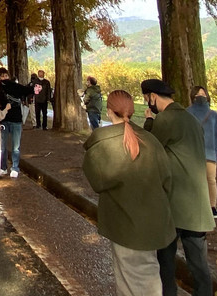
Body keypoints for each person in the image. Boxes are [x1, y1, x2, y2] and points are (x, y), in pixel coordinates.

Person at [83, 90, 176, 296]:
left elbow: (97, 181)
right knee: (144, 276)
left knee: (132, 280)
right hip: (155, 221)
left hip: (125, 225)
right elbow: (167, 180)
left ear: (109, 111)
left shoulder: (103, 144)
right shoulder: (151, 141)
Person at [141, 78, 215, 296]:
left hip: (174, 202)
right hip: (197, 204)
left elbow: (150, 149)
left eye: (146, 99)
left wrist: (148, 122)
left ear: (153, 96)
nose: (147, 103)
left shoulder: (166, 119)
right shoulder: (190, 119)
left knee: (166, 261)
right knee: (199, 264)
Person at [188, 85, 217, 218]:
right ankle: (194, 207)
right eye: (198, 95)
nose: (201, 97)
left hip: (209, 154)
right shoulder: (186, 113)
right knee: (194, 181)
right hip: (192, 154)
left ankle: (212, 207)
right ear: (193, 96)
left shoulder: (214, 115)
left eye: (203, 94)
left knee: (211, 180)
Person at [0, 68, 31, 178]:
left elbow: (26, 90)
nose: (5, 78)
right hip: (4, 120)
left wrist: (34, 87)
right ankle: (3, 167)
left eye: (6, 76)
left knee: (16, 146)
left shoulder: (15, 86)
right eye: (2, 76)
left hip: (16, 120)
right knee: (3, 146)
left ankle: (15, 168)